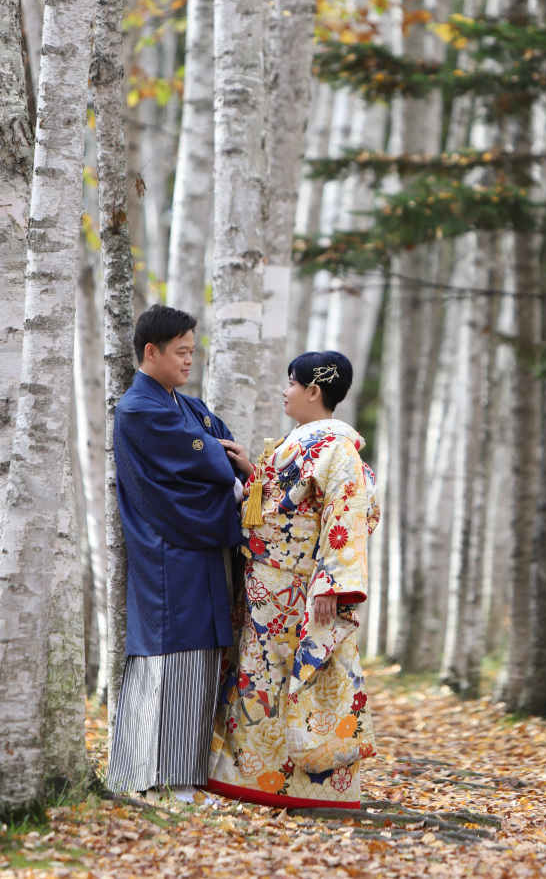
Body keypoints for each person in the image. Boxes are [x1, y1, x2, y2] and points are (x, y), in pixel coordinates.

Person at [206, 350, 380, 809]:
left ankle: (304, 786)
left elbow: (349, 515)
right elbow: (280, 500)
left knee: (293, 677)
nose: (284, 391)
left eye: (291, 383)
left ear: (313, 392)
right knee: (258, 677)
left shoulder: (339, 447)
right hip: (265, 580)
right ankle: (251, 778)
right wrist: (251, 472)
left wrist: (330, 583)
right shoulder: (302, 441)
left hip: (299, 585)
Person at [106, 305, 252, 801]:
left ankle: (183, 777)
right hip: (170, 550)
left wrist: (221, 456)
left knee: (201, 663)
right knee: (170, 660)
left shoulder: (183, 405)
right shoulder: (139, 409)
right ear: (152, 352)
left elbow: (223, 442)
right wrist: (220, 462)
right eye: (182, 351)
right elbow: (216, 457)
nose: (191, 360)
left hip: (197, 548)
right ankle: (154, 778)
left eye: (193, 350)